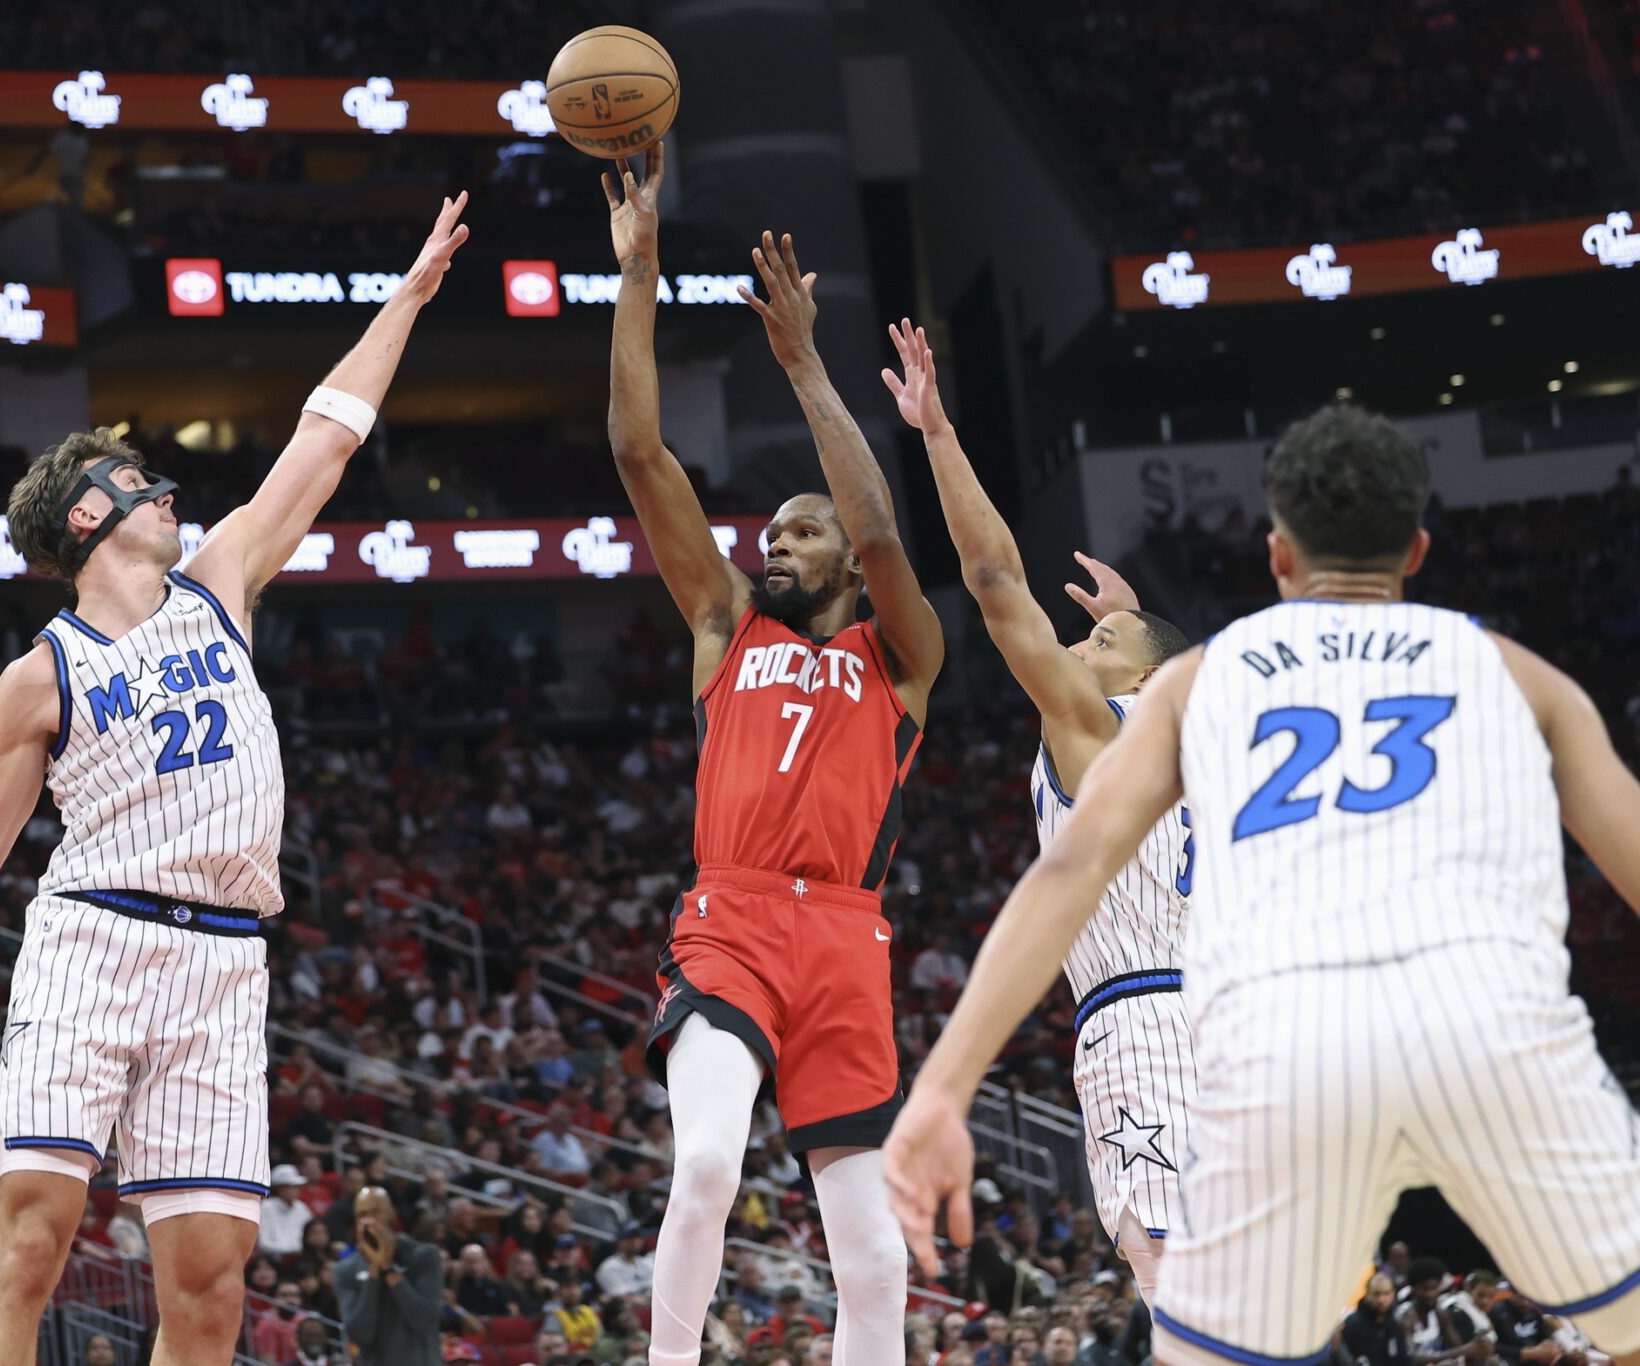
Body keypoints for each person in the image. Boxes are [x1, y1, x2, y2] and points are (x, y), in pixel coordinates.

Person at [0, 194, 472, 1365]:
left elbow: (326, 436)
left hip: (221, 963)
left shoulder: (218, 580)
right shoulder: (38, 676)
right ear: (93, 514)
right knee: (32, 1239)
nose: (167, 491)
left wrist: (403, 299)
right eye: (142, 482)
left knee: (208, 1287)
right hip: (90, 944)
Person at [883, 404, 1640, 1365]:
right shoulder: (1510, 669)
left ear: (1278, 555)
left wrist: (945, 1089)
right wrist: (1136, 630)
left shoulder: (1203, 691)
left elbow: (1066, 848)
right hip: (1480, 1019)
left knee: (1203, 1331)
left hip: (1262, 1039)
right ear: (1416, 547)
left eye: (1105, 642)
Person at [604, 143, 942, 1366]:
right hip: (734, 918)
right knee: (702, 1161)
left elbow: (882, 529)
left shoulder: (899, 657)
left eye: (800, 530)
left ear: (841, 562)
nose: (776, 540)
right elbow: (641, 455)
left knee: (876, 1256)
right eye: (772, 529)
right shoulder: (720, 624)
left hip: (846, 936)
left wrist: (801, 360)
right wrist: (635, 277)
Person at [883, 320, 1192, 1299]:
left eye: (1098, 634)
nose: (1078, 640)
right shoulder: (1197, 735)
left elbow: (992, 580)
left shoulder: (1092, 727)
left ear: (1133, 670)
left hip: (1142, 1029)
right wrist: (1135, 617)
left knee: (1179, 1299)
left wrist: (935, 434)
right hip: (1244, 1022)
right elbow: (1162, 660)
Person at [333, 1187, 444, 1366]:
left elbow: (424, 1321)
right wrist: (374, 1271)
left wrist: (388, 1268)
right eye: (362, 1214)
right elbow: (362, 1335)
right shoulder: (345, 1270)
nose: (369, 1220)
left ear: (392, 1213)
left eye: (376, 1211)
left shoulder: (423, 1255)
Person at [1340, 1274, 1413, 1366]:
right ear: (1367, 1294)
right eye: (1376, 1294)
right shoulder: (1352, 1325)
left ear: (1393, 1294)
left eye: (1386, 1293)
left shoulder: (1396, 1323)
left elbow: (1405, 1358)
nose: (1381, 1300)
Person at [261, 1165, 315, 1257]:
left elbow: (310, 1234)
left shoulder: (301, 1207)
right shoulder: (266, 1207)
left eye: (296, 1187)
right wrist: (291, 1251)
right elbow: (263, 1243)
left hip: (299, 1257)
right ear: (280, 1188)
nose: (296, 1190)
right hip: (273, 1258)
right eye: (291, 1187)